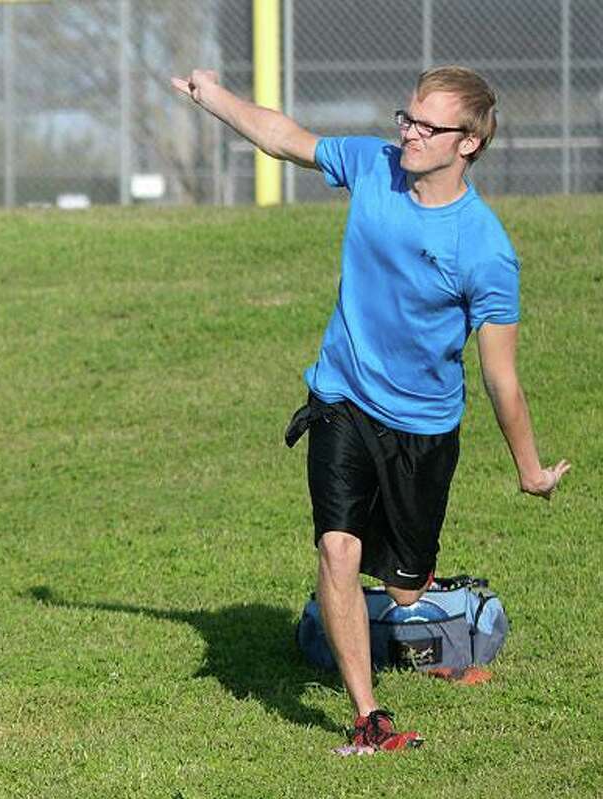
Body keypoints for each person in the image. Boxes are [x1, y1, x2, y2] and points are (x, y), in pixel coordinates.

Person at [170, 65, 570, 754]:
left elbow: (501, 379)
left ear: (467, 142)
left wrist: (530, 470)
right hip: (342, 397)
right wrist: (217, 99)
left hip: (424, 429)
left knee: (404, 589)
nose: (407, 132)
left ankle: (428, 606)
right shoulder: (372, 165)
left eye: (426, 125)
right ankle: (367, 716)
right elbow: (285, 138)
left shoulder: (486, 251)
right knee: (337, 547)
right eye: (406, 117)